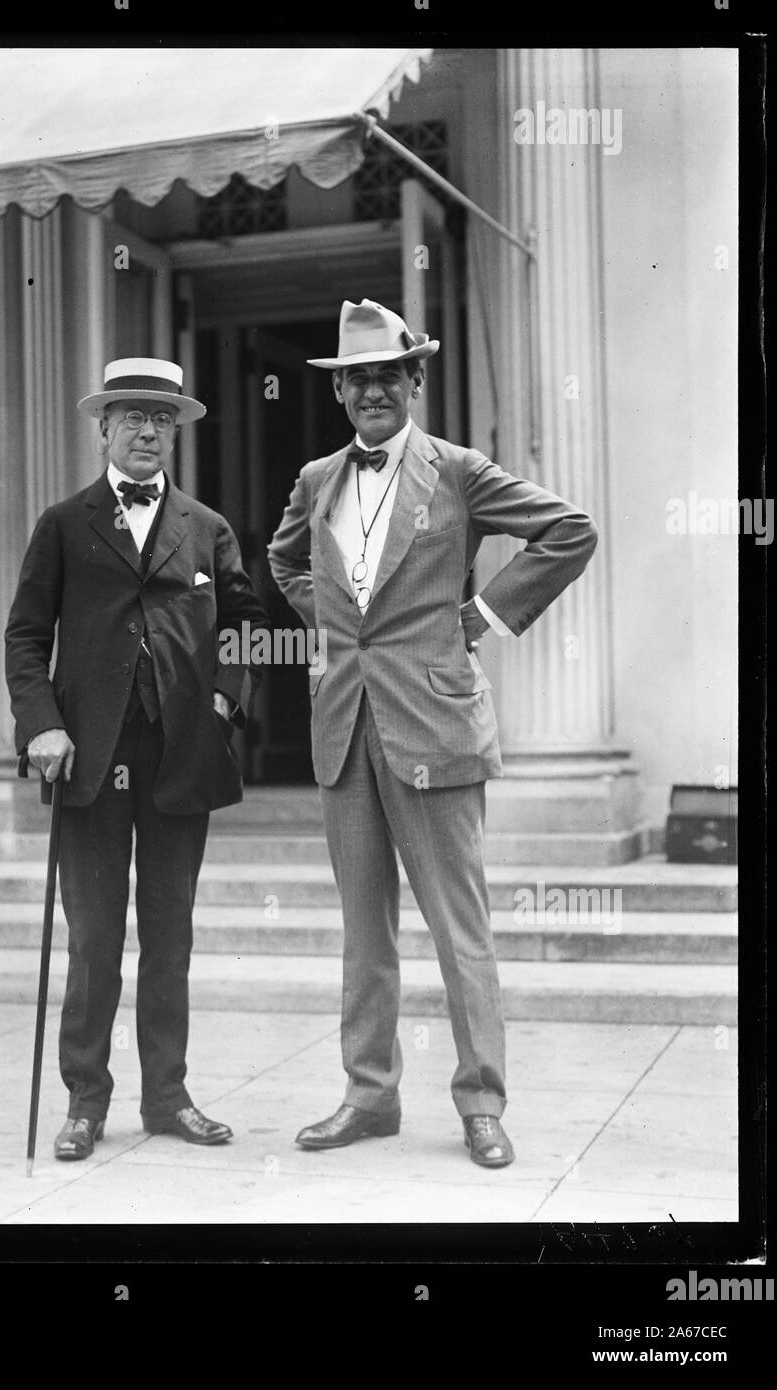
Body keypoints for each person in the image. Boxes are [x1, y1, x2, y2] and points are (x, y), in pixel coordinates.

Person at [267, 301, 598, 1166]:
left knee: (459, 927)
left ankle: (481, 1103)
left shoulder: (456, 470)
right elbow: (284, 558)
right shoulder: (316, 478)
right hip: (344, 724)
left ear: (414, 380)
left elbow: (569, 530)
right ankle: (368, 1096)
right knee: (363, 930)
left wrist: (481, 615)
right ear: (338, 391)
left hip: (436, 722)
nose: (372, 390)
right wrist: (333, 623)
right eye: (357, 379)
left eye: (388, 374)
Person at [5, 357, 268, 1160]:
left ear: (175, 431)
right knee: (93, 941)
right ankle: (85, 1101)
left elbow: (246, 624)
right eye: (131, 416)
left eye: (161, 418)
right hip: (87, 756)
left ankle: (167, 1098)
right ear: (103, 430)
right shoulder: (63, 523)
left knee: (169, 936)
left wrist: (224, 702)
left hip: (180, 754)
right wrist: (41, 726)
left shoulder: (207, 527)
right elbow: (25, 636)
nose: (147, 430)